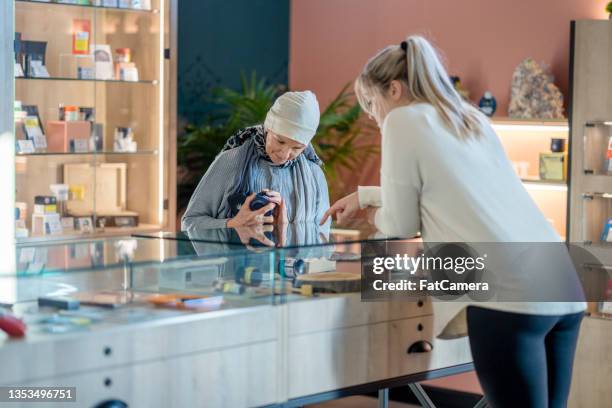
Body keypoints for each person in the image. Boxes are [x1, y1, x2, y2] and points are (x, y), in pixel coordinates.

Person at [321, 36, 586, 408]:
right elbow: (450, 191)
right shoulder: (469, 117)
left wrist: (374, 213)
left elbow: (400, 223)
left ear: (394, 89)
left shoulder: (401, 121)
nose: (374, 116)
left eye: (372, 104)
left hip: (508, 295)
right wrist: (368, 197)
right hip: (560, 283)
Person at [182, 90, 330, 234]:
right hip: (236, 259)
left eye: (297, 148)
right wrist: (233, 224)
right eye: (280, 141)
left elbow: (323, 239)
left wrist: (284, 229)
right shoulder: (230, 161)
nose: (284, 155)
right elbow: (189, 222)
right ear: (268, 128)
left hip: (289, 259)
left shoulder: (314, 175)